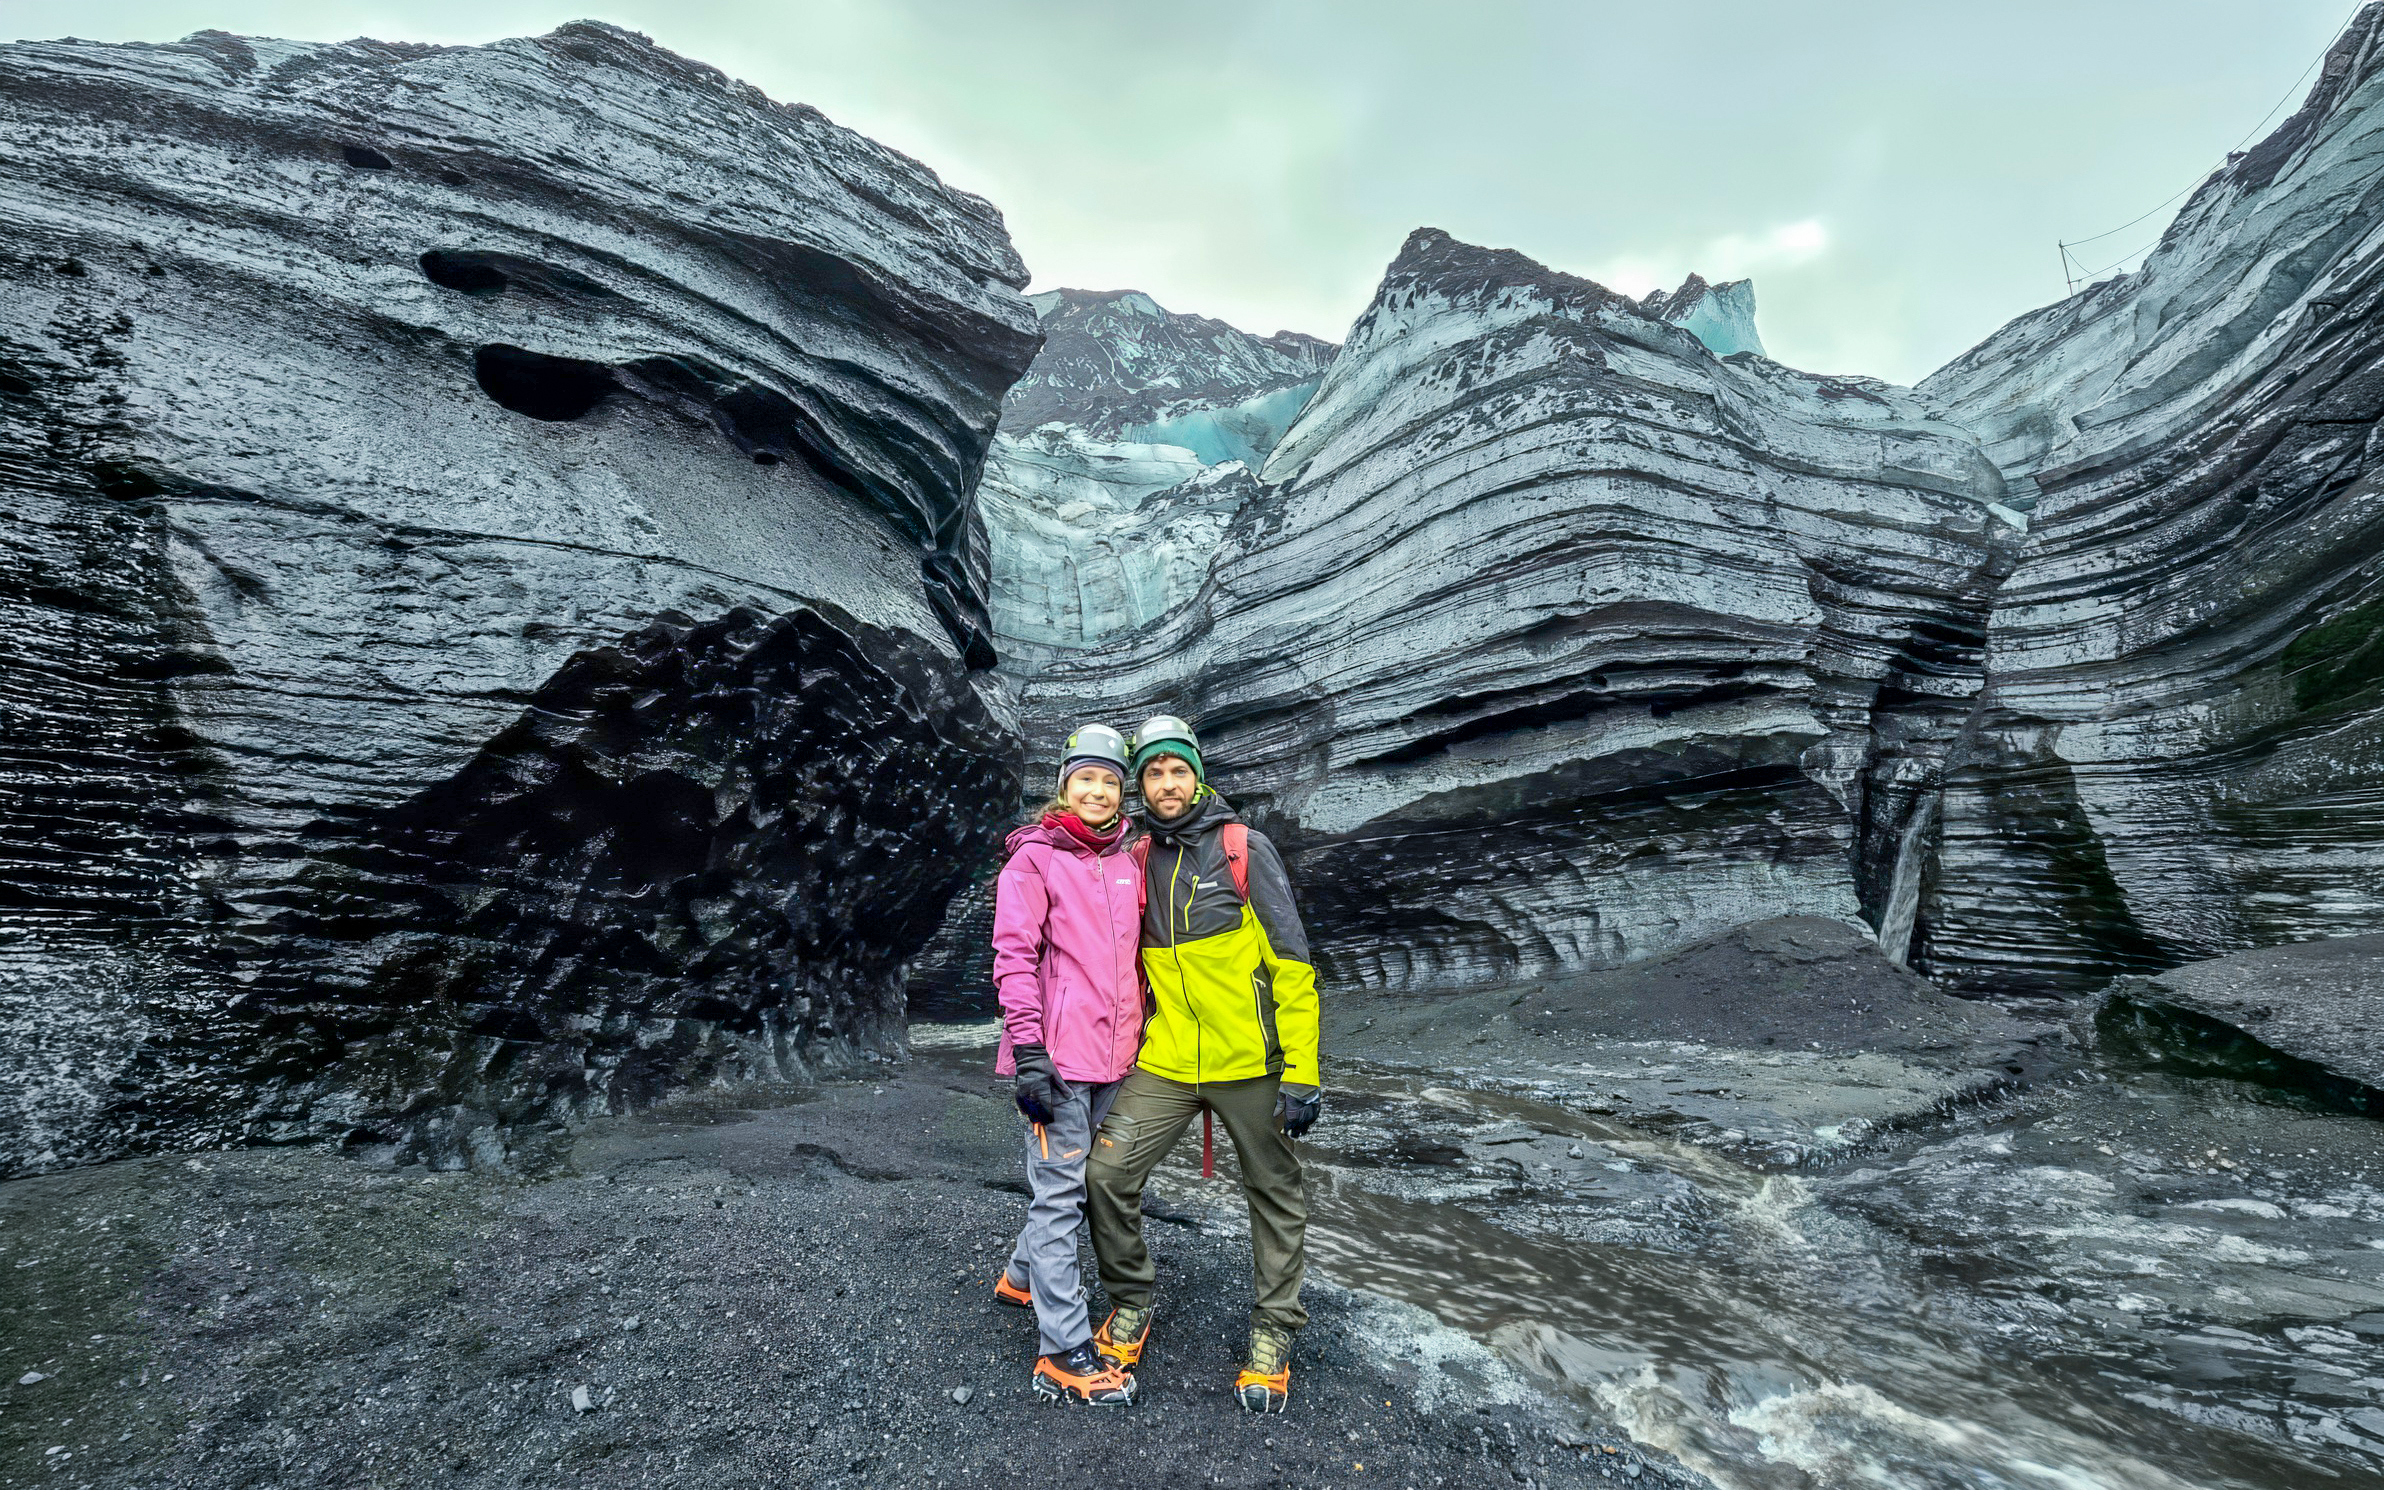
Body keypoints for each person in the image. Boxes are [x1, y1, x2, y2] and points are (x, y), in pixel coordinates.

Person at [1086, 714, 1322, 1412]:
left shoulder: (1244, 848)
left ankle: (1274, 1331)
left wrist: (1302, 1070)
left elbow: (1292, 964)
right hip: (1165, 1061)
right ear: (1141, 784)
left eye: (1176, 770)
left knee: (1274, 1194)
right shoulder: (1134, 857)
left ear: (1197, 775)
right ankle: (1132, 1300)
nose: (1165, 783)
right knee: (1106, 1173)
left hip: (1249, 1062)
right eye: (1153, 772)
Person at [989, 724, 1147, 1407]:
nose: (1098, 790)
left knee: (1078, 1186)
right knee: (1061, 1199)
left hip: (1119, 1060)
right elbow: (1013, 958)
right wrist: (1028, 1053)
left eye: (1110, 781)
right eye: (1086, 778)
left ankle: (1020, 1279)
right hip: (1056, 1063)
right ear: (1064, 785)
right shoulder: (1033, 862)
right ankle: (1064, 1350)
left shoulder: (1129, 861)